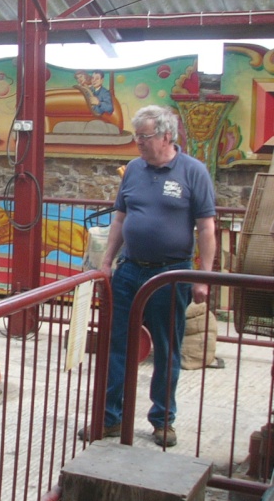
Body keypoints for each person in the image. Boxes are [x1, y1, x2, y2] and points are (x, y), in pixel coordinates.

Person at [80, 105, 216, 447]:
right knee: (116, 344)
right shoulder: (134, 171)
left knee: (167, 346)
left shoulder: (193, 172)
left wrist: (203, 277)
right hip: (129, 270)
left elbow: (206, 228)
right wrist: (106, 261)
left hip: (171, 273)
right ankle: (110, 418)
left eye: (145, 136)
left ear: (166, 136)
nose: (138, 142)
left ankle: (162, 420)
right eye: (136, 136)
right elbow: (120, 220)